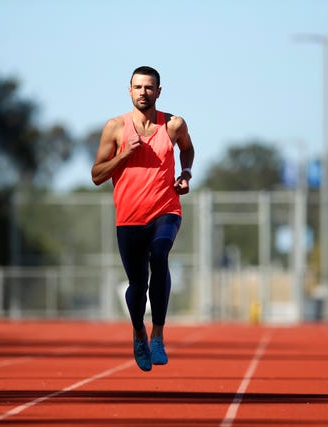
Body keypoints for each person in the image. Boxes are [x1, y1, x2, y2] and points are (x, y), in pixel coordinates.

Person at [91, 66, 195, 371]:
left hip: (165, 210)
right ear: (129, 90)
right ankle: (139, 333)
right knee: (137, 284)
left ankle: (158, 335)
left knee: (160, 255)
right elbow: (96, 175)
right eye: (137, 87)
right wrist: (123, 155)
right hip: (129, 218)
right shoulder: (115, 128)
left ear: (159, 92)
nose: (143, 93)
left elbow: (187, 149)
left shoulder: (173, 125)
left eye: (149, 88)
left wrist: (185, 174)